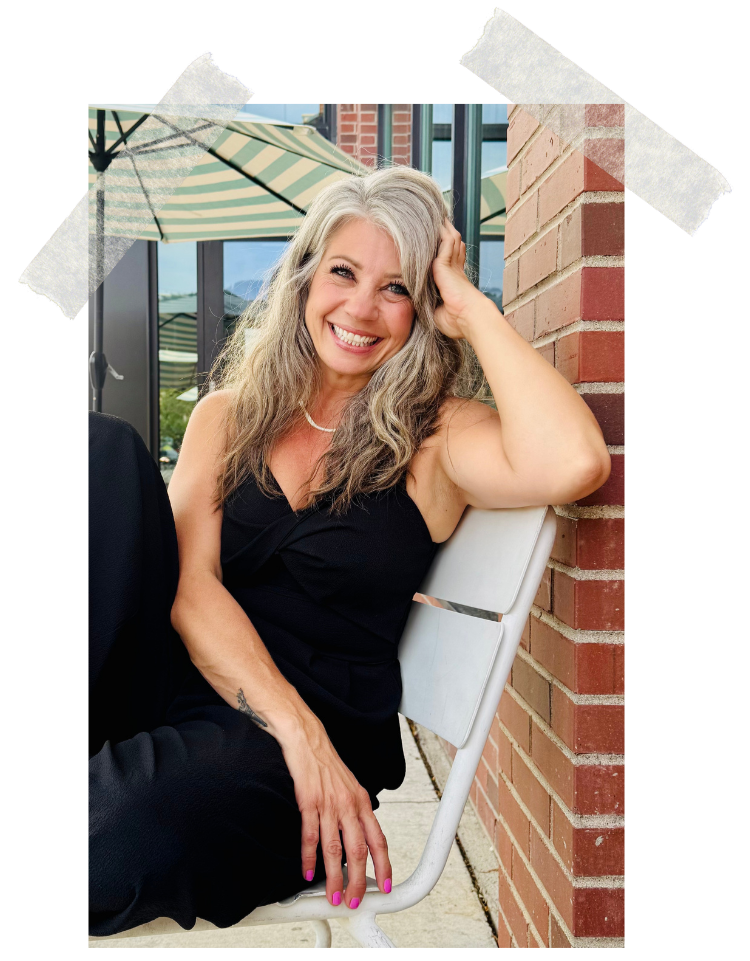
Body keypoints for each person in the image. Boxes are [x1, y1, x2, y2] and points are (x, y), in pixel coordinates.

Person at [87, 165, 611, 936]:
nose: (362, 307)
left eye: (396, 288)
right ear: (304, 279)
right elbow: (188, 588)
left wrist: (471, 306)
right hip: (210, 692)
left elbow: (575, 462)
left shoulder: (435, 436)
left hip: (286, 755)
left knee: (108, 832)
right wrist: (300, 734)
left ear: (423, 309)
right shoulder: (228, 416)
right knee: (102, 449)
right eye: (343, 272)